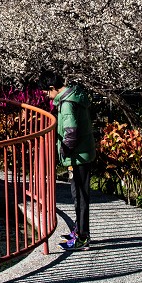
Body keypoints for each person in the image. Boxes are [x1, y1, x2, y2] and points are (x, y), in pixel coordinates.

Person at [44, 74, 97, 251]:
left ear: (53, 88)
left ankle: (83, 237)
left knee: (80, 197)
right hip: (82, 152)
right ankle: (79, 231)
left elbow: (71, 133)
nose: (46, 95)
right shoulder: (73, 96)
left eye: (46, 91)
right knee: (78, 195)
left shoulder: (66, 104)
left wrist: (61, 153)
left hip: (79, 156)